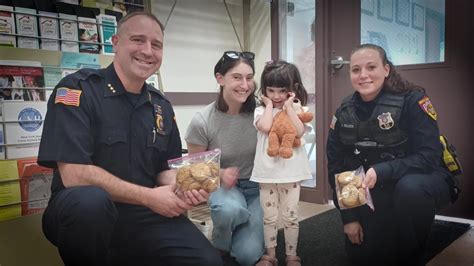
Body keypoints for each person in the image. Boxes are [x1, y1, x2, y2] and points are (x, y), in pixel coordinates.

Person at [38, 12, 222, 266]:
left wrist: (186, 185)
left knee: (207, 261)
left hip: (143, 213)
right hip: (83, 212)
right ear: (115, 42)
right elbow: (75, 174)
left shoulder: (161, 106)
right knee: (90, 203)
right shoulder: (77, 90)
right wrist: (150, 197)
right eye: (138, 40)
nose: (147, 51)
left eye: (156, 44)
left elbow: (165, 170)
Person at [326, 43, 455, 265]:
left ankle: (415, 251)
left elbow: (430, 155)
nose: (363, 75)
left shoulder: (413, 100)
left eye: (371, 67)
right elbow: (337, 165)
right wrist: (349, 218)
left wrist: (384, 170)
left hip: (421, 179)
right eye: (356, 70)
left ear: (386, 69)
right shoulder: (344, 111)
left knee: (409, 193)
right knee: (363, 255)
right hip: (377, 187)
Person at [185, 51, 264, 265]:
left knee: (248, 256)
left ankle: (239, 229)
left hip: (260, 188)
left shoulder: (261, 113)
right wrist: (220, 173)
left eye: (249, 77)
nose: (245, 85)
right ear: (220, 79)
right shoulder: (203, 121)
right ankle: (221, 239)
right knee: (229, 210)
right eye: (237, 77)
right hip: (225, 188)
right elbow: (195, 167)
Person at [251, 60, 312, 266]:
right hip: (266, 173)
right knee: (269, 217)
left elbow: (300, 131)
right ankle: (270, 254)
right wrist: (268, 105)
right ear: (264, 90)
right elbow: (266, 127)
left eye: (282, 91)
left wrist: (289, 108)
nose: (276, 96)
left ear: (292, 90)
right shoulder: (261, 111)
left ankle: (292, 255)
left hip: (291, 172)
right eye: (271, 90)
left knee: (291, 216)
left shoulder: (298, 109)